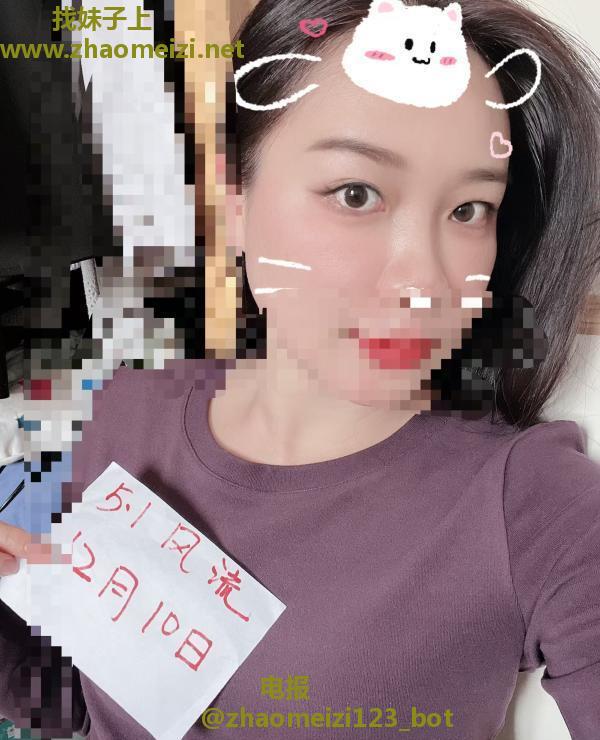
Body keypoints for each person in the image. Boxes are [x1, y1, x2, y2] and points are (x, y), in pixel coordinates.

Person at [1, 0, 600, 738]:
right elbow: (84, 703)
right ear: (231, 201)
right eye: (356, 194)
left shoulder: (531, 505)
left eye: (470, 209)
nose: (424, 281)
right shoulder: (128, 410)